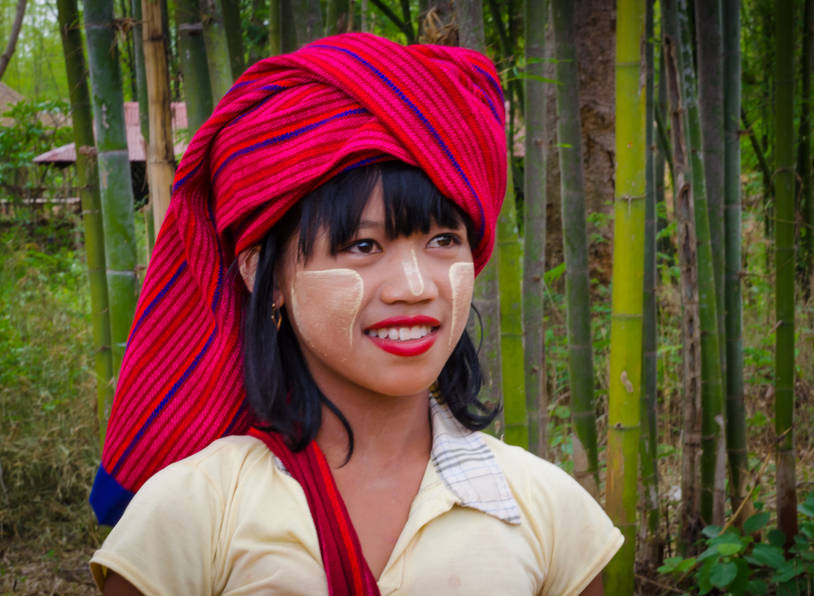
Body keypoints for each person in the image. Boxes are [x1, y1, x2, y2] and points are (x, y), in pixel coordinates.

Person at [89, 33, 623, 595]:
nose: (415, 288)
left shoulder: (549, 511)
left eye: (443, 240)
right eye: (363, 247)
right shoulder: (192, 512)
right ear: (261, 276)